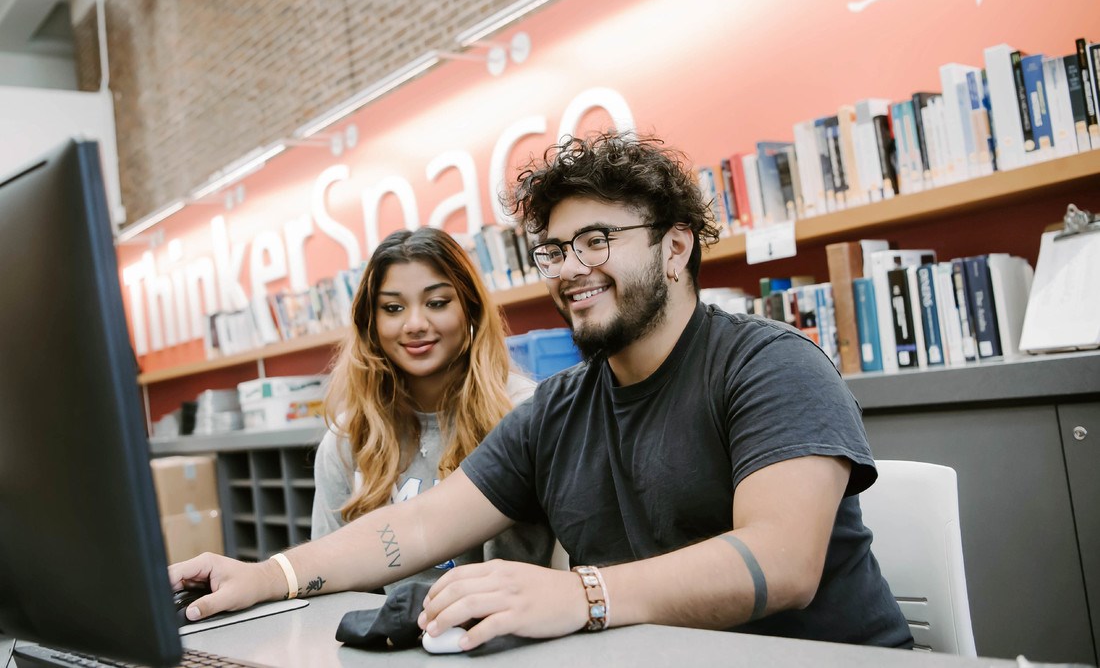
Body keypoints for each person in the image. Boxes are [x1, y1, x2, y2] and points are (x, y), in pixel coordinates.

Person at [169, 131, 912, 652]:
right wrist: (269, 576)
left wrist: (581, 595)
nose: (569, 268)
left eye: (597, 241)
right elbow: (423, 526)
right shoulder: (559, 408)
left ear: (676, 247)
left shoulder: (771, 365)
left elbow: (781, 561)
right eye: (554, 250)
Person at [311, 227, 552, 589]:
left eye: (437, 303)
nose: (415, 325)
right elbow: (326, 575)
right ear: (371, 324)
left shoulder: (520, 414)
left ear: (469, 308)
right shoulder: (347, 439)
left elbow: (522, 579)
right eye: (393, 308)